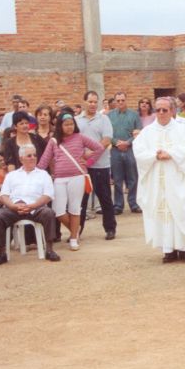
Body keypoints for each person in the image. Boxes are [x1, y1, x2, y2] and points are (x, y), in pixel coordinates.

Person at [133, 97, 185, 263]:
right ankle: (168, 249)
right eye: (158, 110)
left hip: (177, 179)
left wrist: (171, 154)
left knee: (181, 211)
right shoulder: (147, 131)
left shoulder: (182, 129)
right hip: (158, 181)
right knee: (163, 213)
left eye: (165, 110)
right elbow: (138, 150)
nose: (161, 113)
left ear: (172, 111)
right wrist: (154, 155)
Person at [38, 112, 104, 251]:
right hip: (59, 179)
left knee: (75, 209)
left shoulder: (80, 137)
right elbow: (44, 159)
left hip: (77, 176)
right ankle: (76, 229)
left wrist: (89, 161)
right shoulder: (54, 141)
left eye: (71, 124)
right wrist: (34, 172)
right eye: (66, 124)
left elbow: (99, 148)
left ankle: (74, 238)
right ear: (60, 126)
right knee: (58, 211)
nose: (69, 127)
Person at [0, 145, 61, 264]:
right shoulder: (12, 175)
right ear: (21, 158)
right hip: (14, 207)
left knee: (49, 213)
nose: (33, 158)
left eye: (34, 155)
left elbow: (48, 195)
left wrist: (33, 206)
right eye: (29, 156)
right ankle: (1, 253)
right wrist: (13, 206)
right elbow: (4, 195)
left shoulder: (44, 174)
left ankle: (49, 250)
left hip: (37, 207)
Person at [76, 91, 117, 241]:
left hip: (101, 166)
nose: (93, 104)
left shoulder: (104, 119)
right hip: (82, 168)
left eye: (95, 102)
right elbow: (74, 141)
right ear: (84, 102)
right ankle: (77, 231)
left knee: (105, 198)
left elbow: (106, 141)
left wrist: (90, 155)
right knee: (81, 201)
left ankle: (110, 228)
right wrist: (82, 156)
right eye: (90, 101)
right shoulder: (77, 120)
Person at [108, 91, 142, 214]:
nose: (120, 102)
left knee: (133, 178)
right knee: (117, 179)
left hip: (130, 149)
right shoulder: (109, 116)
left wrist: (128, 142)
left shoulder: (134, 115)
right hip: (115, 150)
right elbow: (106, 133)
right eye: (118, 101)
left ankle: (134, 203)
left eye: (123, 100)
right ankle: (118, 205)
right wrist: (117, 142)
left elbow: (139, 131)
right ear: (115, 102)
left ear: (126, 100)